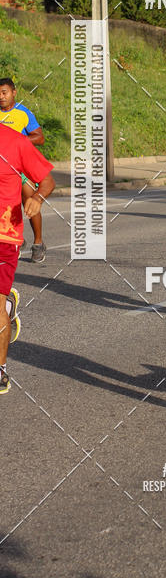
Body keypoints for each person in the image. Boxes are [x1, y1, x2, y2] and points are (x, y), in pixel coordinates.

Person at [0, 121, 55, 392]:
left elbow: (46, 180)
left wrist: (38, 198)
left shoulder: (16, 142)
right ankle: (7, 306)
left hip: (4, 236)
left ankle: (0, 370)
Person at [0, 78, 48, 262]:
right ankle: (13, 240)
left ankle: (38, 242)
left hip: (20, 166)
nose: (1, 96)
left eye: (4, 92)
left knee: (29, 202)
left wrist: (16, 143)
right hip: (2, 169)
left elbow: (39, 138)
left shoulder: (23, 113)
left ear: (14, 92)